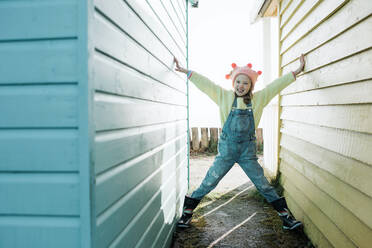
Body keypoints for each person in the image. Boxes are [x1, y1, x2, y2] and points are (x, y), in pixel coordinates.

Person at [174, 54, 305, 230]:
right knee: (209, 181)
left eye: (245, 83)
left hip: (247, 154)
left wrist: (296, 71)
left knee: (262, 184)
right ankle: (187, 213)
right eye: (238, 82)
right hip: (226, 152)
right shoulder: (223, 96)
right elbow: (206, 84)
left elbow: (276, 85)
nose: (241, 86)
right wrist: (186, 71)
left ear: (251, 85)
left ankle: (286, 217)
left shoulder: (259, 98)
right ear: (233, 83)